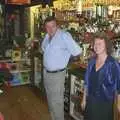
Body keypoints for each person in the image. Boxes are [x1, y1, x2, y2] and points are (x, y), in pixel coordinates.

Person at [41, 16, 82, 120]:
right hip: (46, 72)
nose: (50, 29)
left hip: (57, 74)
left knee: (57, 102)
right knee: (50, 100)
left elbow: (77, 51)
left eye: (53, 26)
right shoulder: (47, 36)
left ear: (57, 26)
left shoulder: (64, 36)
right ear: (45, 27)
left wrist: (66, 57)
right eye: (48, 27)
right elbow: (43, 48)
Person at [81, 32, 120, 120]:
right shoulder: (91, 62)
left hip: (104, 104)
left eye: (99, 43)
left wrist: (118, 104)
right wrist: (84, 99)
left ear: (106, 45)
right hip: (90, 101)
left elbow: (119, 86)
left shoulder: (113, 64)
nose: (96, 46)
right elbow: (86, 82)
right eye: (95, 43)